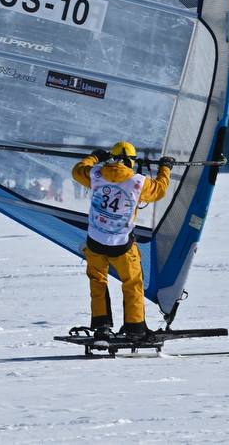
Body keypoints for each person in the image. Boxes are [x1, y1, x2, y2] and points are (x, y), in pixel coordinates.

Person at [71, 141, 173, 342]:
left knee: (98, 282)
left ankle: (101, 326)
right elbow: (160, 189)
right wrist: (165, 168)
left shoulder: (96, 174)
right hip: (122, 245)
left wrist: (95, 157)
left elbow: (77, 171)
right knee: (132, 283)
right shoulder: (138, 182)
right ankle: (135, 327)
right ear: (130, 162)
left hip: (95, 242)